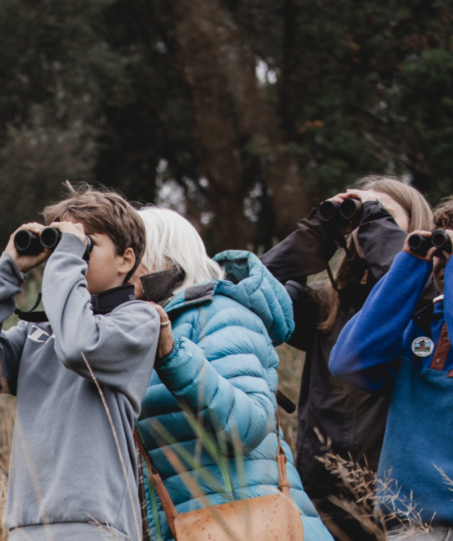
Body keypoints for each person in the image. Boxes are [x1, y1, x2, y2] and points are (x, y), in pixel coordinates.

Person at [0, 184, 169, 540]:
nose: (70, 254)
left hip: (97, 525)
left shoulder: (138, 322)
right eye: (63, 245)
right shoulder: (38, 333)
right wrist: (8, 271)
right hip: (26, 523)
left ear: (125, 260)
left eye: (86, 245)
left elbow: (80, 347)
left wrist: (66, 257)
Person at [132, 207, 333, 541]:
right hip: (200, 528)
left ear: (164, 256)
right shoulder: (138, 329)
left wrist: (173, 357)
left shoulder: (217, 312)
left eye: (131, 251)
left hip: (253, 528)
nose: (120, 264)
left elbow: (246, 427)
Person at [261, 176, 433, 540]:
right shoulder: (326, 304)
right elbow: (250, 289)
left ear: (415, 231)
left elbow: (420, 298)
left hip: (400, 502)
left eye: (384, 217)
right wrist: (316, 235)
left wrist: (387, 237)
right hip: (319, 499)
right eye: (359, 218)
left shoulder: (431, 304)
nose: (367, 225)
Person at [330, 193, 453, 540]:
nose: (445, 266)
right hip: (411, 526)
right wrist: (409, 264)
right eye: (443, 256)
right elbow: (348, 362)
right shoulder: (421, 325)